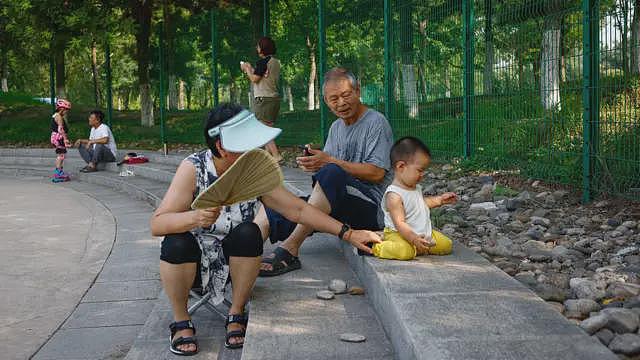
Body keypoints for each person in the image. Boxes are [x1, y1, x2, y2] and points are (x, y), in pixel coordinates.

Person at [150, 103, 380, 355]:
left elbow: (299, 210)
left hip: (233, 268)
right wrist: (194, 218)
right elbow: (158, 224)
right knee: (175, 240)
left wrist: (348, 233)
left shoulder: (252, 173)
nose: (257, 148)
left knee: (248, 232)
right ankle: (181, 321)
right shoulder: (193, 168)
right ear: (222, 147)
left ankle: (236, 312)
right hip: (190, 267)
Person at [258, 67, 394, 276]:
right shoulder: (336, 128)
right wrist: (315, 163)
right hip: (341, 204)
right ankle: (240, 260)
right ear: (326, 102)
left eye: (346, 95)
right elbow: (328, 179)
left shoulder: (376, 122)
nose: (341, 102)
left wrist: (328, 162)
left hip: (372, 208)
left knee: (331, 172)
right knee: (277, 206)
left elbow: (376, 173)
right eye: (334, 98)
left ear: (358, 91)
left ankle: (290, 248)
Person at [372, 137, 456, 260]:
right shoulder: (394, 195)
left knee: (446, 245)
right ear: (401, 166)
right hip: (399, 234)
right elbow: (400, 223)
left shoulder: (414, 188)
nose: (422, 175)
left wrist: (440, 200)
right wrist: (413, 239)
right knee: (405, 252)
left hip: (421, 232)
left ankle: (418, 247)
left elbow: (420, 204)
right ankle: (378, 247)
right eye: (420, 170)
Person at [240, 36, 282, 163]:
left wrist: (247, 69)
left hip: (263, 99)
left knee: (263, 130)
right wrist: (251, 69)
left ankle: (276, 155)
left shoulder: (262, 62)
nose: (257, 48)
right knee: (266, 128)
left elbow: (254, 79)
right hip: (274, 99)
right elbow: (262, 76)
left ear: (262, 48)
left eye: (258, 46)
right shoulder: (275, 62)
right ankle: (266, 157)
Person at [50, 99, 72, 182]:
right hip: (59, 137)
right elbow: (60, 129)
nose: (66, 112)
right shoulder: (59, 117)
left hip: (55, 137)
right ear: (62, 109)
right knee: (61, 155)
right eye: (66, 110)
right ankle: (58, 174)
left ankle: (59, 172)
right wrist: (65, 139)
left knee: (60, 154)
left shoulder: (55, 115)